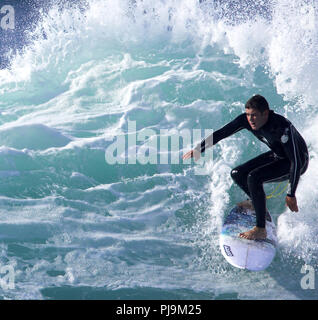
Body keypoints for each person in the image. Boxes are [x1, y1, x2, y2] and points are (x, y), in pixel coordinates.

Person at [183, 95, 309, 240]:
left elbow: (296, 161)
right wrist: (199, 148)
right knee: (238, 173)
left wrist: (291, 194)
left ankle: (260, 229)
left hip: (298, 162)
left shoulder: (281, 127)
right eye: (248, 114)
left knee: (254, 177)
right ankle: (257, 205)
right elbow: (222, 132)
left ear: (265, 113)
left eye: (254, 115)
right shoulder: (246, 121)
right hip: (278, 155)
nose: (250, 119)